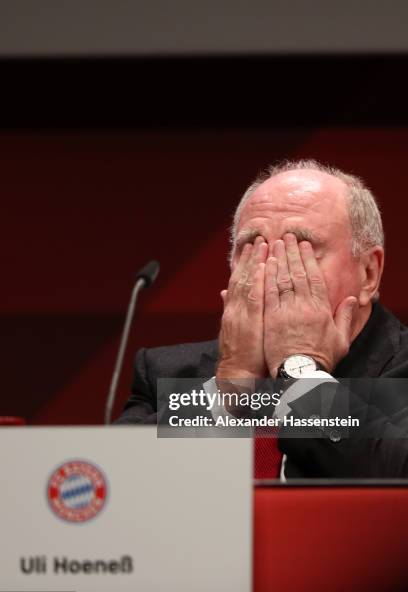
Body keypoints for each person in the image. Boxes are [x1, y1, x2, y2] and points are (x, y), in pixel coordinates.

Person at [116, 159, 408, 478]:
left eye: (301, 248)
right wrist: (231, 385)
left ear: (369, 273)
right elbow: (120, 479)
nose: (271, 269)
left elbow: (393, 474)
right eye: (252, 248)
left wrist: (300, 371)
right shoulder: (166, 372)